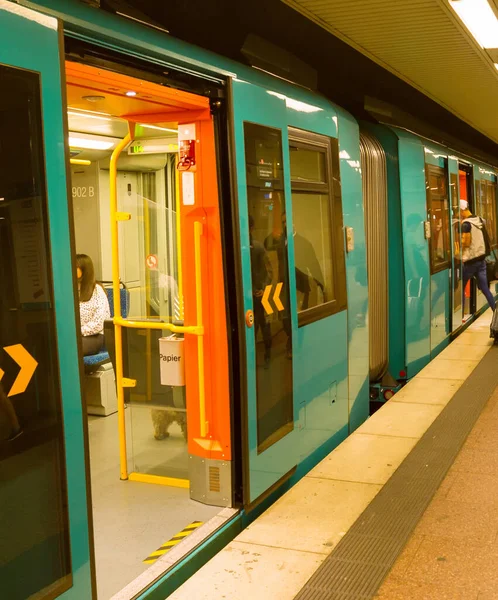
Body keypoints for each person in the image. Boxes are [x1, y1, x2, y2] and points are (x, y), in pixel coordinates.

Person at [460, 200, 496, 311]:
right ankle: (496, 311)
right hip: (481, 260)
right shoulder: (479, 220)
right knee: (485, 288)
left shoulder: (466, 224)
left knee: (461, 286)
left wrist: (456, 243)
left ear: (462, 210)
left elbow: (466, 242)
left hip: (470, 261)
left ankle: (461, 315)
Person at [250, 215, 273, 367]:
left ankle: (266, 355)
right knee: (262, 325)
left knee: (261, 326)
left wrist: (262, 289)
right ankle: (267, 356)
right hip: (258, 293)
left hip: (254, 295)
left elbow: (268, 270)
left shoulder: (257, 247)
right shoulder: (257, 246)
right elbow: (269, 270)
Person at [76, 254, 111, 356]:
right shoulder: (70, 290)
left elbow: (99, 322)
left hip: (94, 336)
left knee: (70, 348)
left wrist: (78, 331)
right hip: (74, 335)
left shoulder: (97, 290)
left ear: (84, 269)